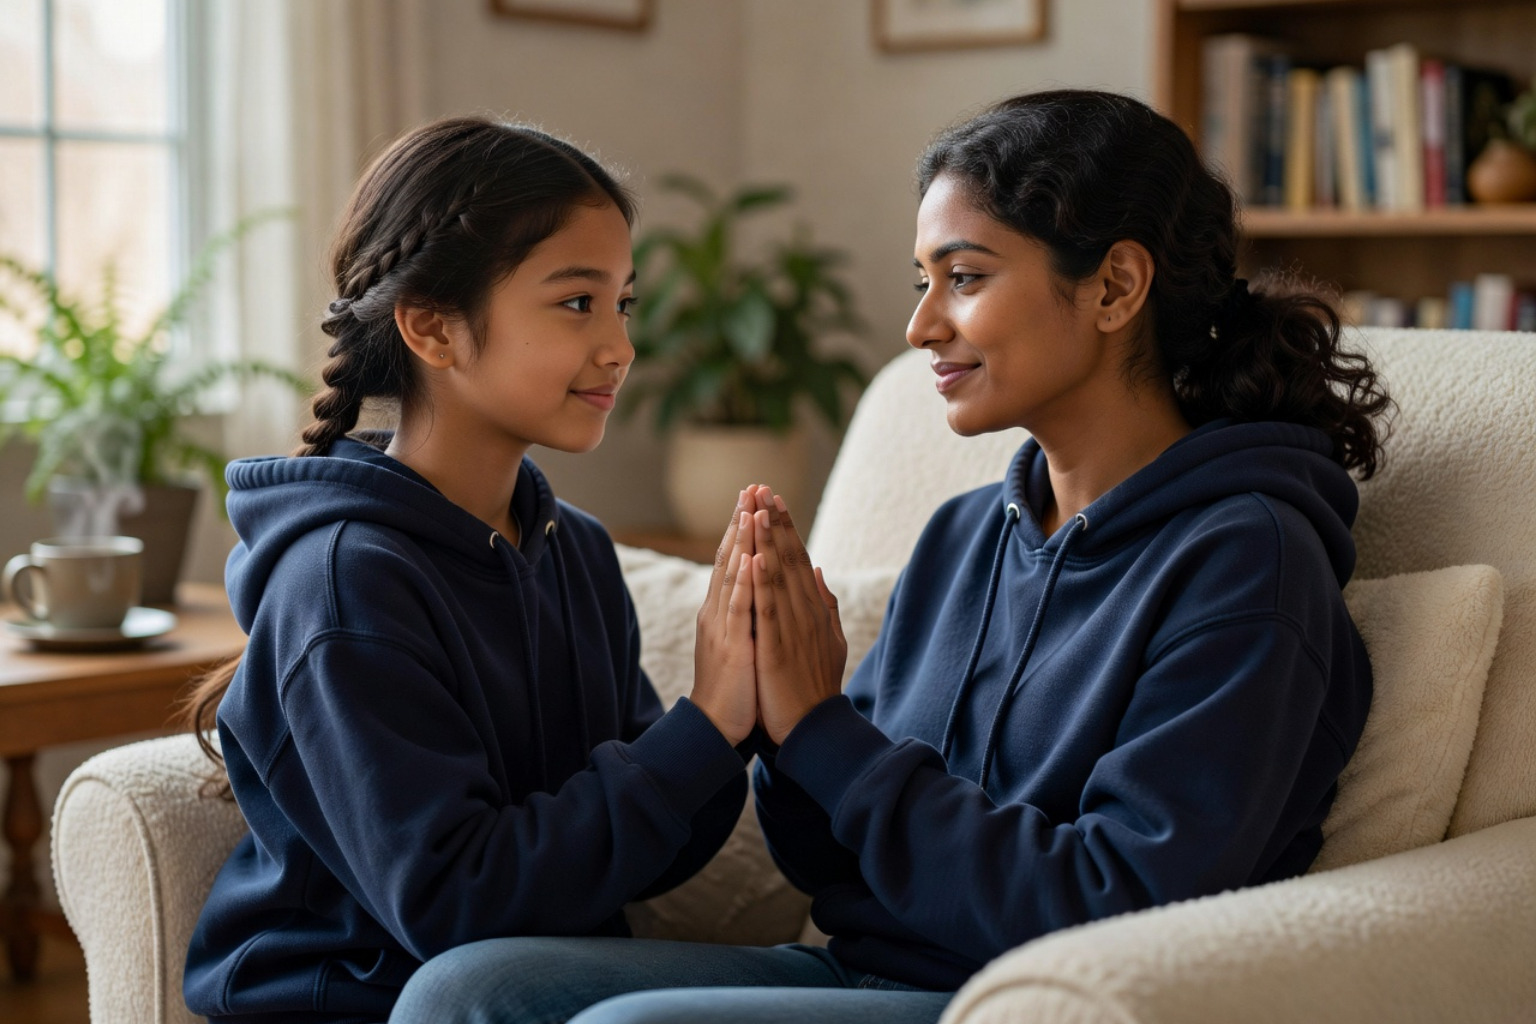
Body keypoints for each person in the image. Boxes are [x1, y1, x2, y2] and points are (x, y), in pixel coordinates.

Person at [387, 88, 1391, 1024]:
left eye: (965, 277)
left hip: (1007, 997)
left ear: (1116, 285)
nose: (920, 325)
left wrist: (828, 731)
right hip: (857, 970)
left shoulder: (1246, 561)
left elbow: (1112, 901)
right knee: (468, 990)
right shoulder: (966, 535)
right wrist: (784, 712)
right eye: (924, 282)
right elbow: (831, 862)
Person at [181, 115, 770, 1024]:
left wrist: (737, 720)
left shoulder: (574, 549)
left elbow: (654, 841)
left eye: (625, 303)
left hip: (534, 987)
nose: (620, 346)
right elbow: (458, 907)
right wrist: (704, 726)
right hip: (353, 1003)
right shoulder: (346, 585)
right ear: (432, 327)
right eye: (578, 302)